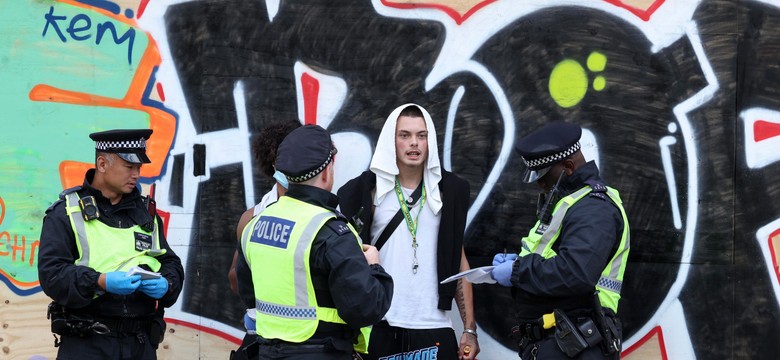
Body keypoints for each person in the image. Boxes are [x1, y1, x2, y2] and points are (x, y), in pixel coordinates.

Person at [236, 124, 394, 359]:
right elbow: (366, 308)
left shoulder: (255, 224)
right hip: (321, 351)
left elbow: (248, 293)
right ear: (326, 170)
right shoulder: (330, 231)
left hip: (267, 352)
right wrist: (374, 267)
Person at [338, 103, 480, 360]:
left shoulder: (450, 191)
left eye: (421, 135)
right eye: (405, 135)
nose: (414, 143)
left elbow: (458, 261)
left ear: (430, 141)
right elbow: (347, 263)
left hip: (434, 325)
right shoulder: (368, 191)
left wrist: (469, 329)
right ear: (391, 140)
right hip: (380, 324)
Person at [38, 129, 184, 360]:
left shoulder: (146, 214)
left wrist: (168, 284)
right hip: (87, 344)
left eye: (139, 168)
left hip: (140, 344)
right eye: (129, 167)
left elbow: (170, 261)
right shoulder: (66, 212)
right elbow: (52, 275)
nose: (136, 174)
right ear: (103, 164)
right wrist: (100, 282)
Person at [490, 121, 630, 359]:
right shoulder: (570, 202)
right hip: (560, 342)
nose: (539, 183)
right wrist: (520, 261)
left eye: (544, 175)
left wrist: (518, 271)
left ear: (568, 166)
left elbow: (575, 273)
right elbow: (551, 257)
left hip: (578, 344)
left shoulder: (594, 210)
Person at [228, 121, 299, 360]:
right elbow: (235, 278)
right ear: (275, 162)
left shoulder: (327, 212)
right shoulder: (252, 217)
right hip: (266, 337)